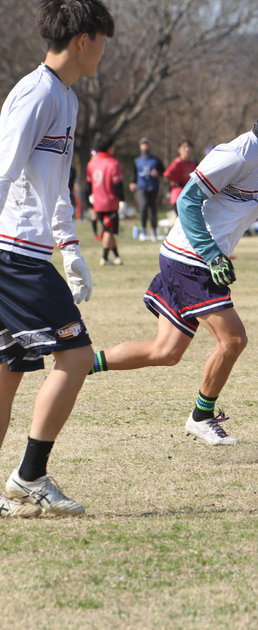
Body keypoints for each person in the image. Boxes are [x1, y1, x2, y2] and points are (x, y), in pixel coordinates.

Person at [87, 82, 258, 445]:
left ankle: (83, 363)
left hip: (188, 258)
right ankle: (202, 417)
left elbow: (244, 206)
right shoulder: (236, 154)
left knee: (165, 352)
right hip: (192, 259)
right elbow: (187, 202)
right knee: (234, 340)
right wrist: (212, 254)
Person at [0, 0, 114, 518]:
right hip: (13, 255)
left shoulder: (65, 97)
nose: (104, 51)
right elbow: (3, 172)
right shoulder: (36, 93)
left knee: (9, 369)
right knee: (76, 355)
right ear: (83, 39)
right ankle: (29, 476)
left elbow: (58, 184)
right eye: (103, 40)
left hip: (27, 251)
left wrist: (68, 246)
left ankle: (24, 478)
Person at [86, 134, 124, 265]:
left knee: (109, 230)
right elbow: (118, 185)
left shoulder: (92, 164)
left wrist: (89, 199)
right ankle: (104, 258)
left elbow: (88, 184)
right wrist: (122, 200)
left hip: (97, 203)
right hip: (111, 203)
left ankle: (117, 257)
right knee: (109, 230)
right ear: (109, 147)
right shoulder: (113, 163)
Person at [130, 137, 164, 241]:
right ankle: (143, 230)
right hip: (141, 187)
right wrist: (132, 182)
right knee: (143, 206)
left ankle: (154, 231)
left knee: (152, 210)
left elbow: (163, 171)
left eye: (146, 144)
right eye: (142, 144)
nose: (144, 146)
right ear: (140, 146)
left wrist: (158, 173)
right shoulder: (137, 160)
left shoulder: (155, 160)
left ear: (149, 146)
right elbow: (134, 173)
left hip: (153, 187)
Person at [163, 139, 197, 216]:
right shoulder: (177, 162)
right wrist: (176, 181)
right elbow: (167, 174)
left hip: (190, 195)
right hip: (178, 195)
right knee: (181, 218)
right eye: (184, 147)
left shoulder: (193, 163)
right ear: (179, 150)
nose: (187, 149)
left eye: (189, 147)